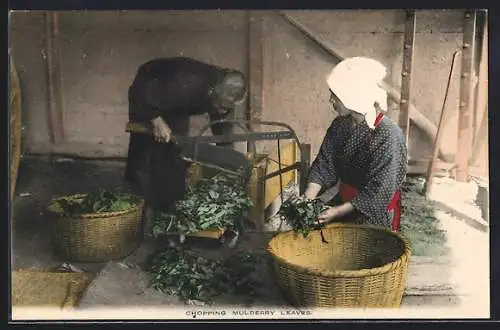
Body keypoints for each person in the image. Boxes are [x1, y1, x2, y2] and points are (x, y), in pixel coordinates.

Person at [124, 57, 247, 238]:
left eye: (225, 107)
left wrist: (227, 158)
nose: (222, 109)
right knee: (147, 155)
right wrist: (156, 121)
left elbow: (223, 126)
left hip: (176, 104)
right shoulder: (186, 82)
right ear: (213, 91)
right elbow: (138, 93)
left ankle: (169, 206)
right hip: (149, 94)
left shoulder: (227, 92)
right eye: (220, 105)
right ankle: (138, 208)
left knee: (175, 152)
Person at [303, 57, 408, 231]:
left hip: (373, 211)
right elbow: (324, 164)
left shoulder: (388, 134)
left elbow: (380, 191)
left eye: (335, 95)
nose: (331, 100)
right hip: (343, 203)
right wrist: (307, 197)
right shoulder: (340, 125)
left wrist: (337, 212)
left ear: (353, 95)